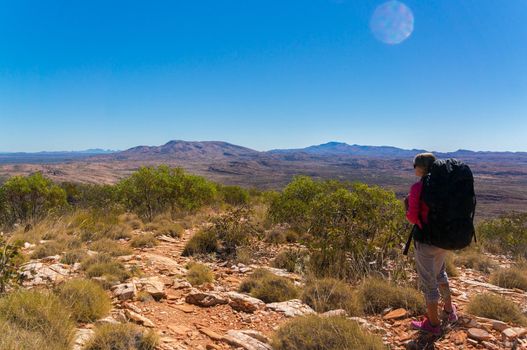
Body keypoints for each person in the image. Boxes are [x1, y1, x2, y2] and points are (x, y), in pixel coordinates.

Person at [405, 153, 458, 336]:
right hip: (444, 240)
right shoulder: (446, 185)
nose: (414, 169)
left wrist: (408, 207)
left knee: (429, 283)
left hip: (426, 242)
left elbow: (412, 218)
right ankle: (450, 312)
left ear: (421, 167)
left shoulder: (418, 187)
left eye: (415, 165)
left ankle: (433, 325)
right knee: (440, 273)